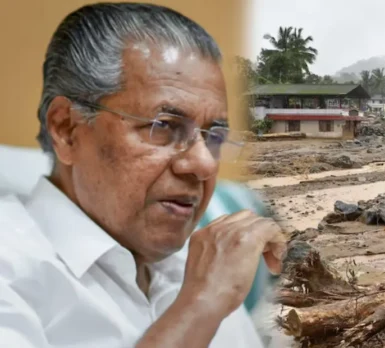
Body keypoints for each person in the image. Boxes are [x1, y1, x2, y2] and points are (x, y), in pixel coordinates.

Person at [0, 4, 286, 347]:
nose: (205, 165)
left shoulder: (200, 267)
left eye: (215, 137)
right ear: (67, 129)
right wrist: (199, 307)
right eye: (163, 127)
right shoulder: (13, 265)